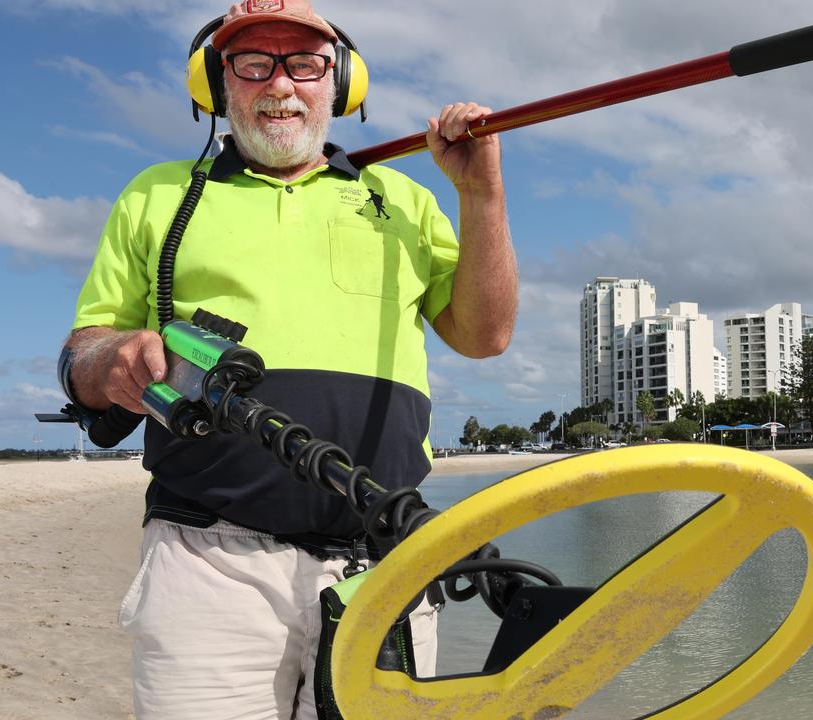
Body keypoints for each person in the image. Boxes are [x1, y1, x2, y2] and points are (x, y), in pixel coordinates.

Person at [58, 1, 515, 717]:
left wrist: (479, 194)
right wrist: (112, 359)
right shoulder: (155, 195)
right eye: (253, 64)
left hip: (385, 562)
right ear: (218, 83)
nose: (279, 86)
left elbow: (486, 335)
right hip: (207, 563)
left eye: (304, 64)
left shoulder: (405, 198)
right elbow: (83, 352)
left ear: (340, 83)